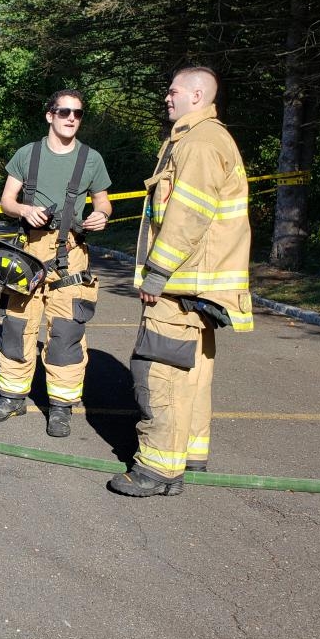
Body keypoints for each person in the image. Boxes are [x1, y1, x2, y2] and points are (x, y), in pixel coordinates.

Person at [109, 66, 253, 497]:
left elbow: (186, 216)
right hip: (196, 286)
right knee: (191, 373)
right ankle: (187, 453)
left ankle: (157, 470)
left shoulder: (200, 143)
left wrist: (157, 273)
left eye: (172, 91)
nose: (166, 98)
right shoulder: (199, 139)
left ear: (196, 94)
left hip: (180, 287)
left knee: (160, 372)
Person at [0, 89, 113, 438]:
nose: (71, 118)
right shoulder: (28, 154)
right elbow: (6, 201)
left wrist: (101, 215)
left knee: (66, 335)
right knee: (16, 327)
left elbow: (104, 202)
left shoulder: (91, 159)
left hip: (72, 255)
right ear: (49, 115)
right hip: (27, 254)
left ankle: (61, 407)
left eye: (78, 113)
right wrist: (24, 209)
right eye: (64, 111)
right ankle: (11, 397)